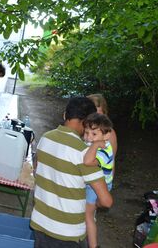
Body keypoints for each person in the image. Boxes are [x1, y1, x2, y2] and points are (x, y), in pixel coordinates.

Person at [30, 97, 113, 247]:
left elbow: (37, 171)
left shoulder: (45, 138)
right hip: (68, 234)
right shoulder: (84, 153)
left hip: (40, 223)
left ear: (64, 115)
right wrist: (95, 204)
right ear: (87, 121)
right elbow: (107, 201)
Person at [83, 113, 115, 248]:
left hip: (98, 187)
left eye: (94, 134)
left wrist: (95, 145)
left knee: (88, 216)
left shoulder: (104, 150)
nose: (89, 137)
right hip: (93, 183)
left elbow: (87, 161)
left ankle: (93, 246)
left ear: (106, 136)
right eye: (86, 132)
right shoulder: (93, 143)